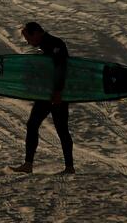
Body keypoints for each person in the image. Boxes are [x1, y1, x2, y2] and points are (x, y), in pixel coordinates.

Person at [9, 22, 74, 175]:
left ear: (37, 33)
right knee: (33, 125)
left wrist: (58, 92)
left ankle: (69, 167)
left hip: (56, 95)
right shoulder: (44, 47)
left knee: (61, 129)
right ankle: (28, 164)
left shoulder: (56, 44)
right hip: (45, 94)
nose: (27, 42)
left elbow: (61, 68)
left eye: (28, 37)